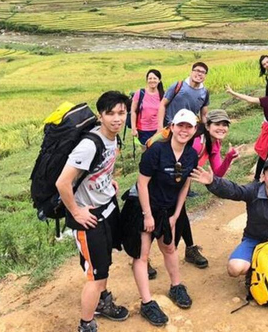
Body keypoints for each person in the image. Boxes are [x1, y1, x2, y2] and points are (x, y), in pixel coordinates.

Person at [55, 91, 131, 332]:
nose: (117, 119)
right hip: (89, 218)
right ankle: (85, 324)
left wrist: (109, 182)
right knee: (95, 275)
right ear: (101, 116)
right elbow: (62, 183)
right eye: (111, 114)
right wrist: (76, 212)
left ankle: (102, 301)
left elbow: (103, 166)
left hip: (107, 207)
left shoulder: (114, 138)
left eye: (122, 113)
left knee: (104, 263)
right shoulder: (89, 144)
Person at [131, 109, 199, 326]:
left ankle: (176, 286)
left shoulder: (191, 154)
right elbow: (142, 183)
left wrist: (176, 214)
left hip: (169, 209)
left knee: (169, 248)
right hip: (145, 206)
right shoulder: (157, 151)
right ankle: (147, 302)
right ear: (171, 127)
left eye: (189, 127)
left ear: (194, 130)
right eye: (180, 125)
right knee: (142, 255)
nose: (184, 130)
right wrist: (147, 215)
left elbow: (186, 183)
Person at [179, 109, 240, 269]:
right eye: (217, 124)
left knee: (180, 214)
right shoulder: (198, 142)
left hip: (182, 180)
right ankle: (141, 256)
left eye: (225, 125)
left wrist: (228, 157)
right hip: (170, 179)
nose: (222, 128)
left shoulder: (214, 142)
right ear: (207, 125)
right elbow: (180, 165)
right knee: (166, 217)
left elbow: (217, 174)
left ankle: (190, 249)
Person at [226, 81, 268, 180]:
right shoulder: (267, 101)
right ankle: (257, 178)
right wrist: (233, 92)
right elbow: (249, 99)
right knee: (263, 154)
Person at [157, 62, 210, 130]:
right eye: (197, 70)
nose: (199, 74)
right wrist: (160, 127)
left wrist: (206, 131)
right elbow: (163, 104)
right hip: (169, 127)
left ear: (205, 76)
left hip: (188, 130)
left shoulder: (205, 92)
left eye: (203, 72)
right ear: (191, 72)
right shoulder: (179, 85)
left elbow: (204, 115)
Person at [131, 69, 164, 146]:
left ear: (159, 80)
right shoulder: (140, 93)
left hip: (157, 130)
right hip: (142, 130)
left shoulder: (162, 95)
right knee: (145, 152)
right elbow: (133, 111)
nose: (152, 80)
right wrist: (133, 128)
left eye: (155, 78)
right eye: (150, 78)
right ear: (147, 80)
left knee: (156, 152)